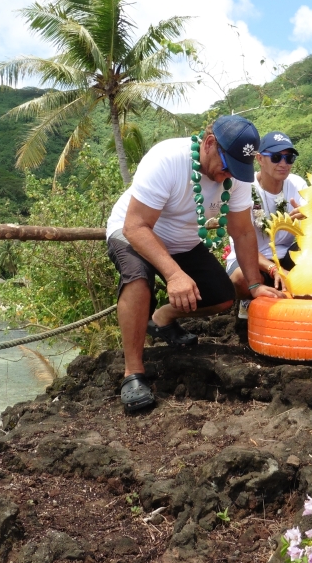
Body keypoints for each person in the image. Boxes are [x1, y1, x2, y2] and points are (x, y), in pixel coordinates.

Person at [105, 115, 282, 413]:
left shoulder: (234, 175)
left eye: (236, 171)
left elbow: (241, 231)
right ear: (209, 143)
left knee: (223, 296)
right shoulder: (168, 159)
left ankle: (160, 319)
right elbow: (135, 227)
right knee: (138, 280)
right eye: (226, 167)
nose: (229, 176)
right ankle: (133, 373)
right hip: (134, 232)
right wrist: (174, 274)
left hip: (182, 241)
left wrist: (254, 286)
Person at [227, 131, 307, 317]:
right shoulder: (244, 188)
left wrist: (310, 215)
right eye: (276, 157)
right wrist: (274, 269)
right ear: (260, 159)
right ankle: (247, 302)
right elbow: (242, 240)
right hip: (250, 257)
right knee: (240, 279)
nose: (283, 164)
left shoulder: (297, 184)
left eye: (289, 158)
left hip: (285, 255)